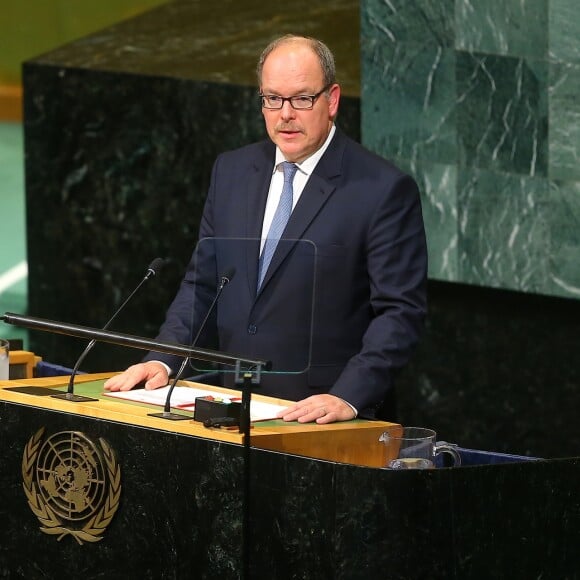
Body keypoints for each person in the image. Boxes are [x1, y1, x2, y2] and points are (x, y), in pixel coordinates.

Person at [104, 34, 427, 425]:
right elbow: (203, 285)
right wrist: (164, 358)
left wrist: (348, 396)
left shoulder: (381, 189)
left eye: (302, 98)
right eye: (272, 98)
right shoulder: (232, 171)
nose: (285, 113)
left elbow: (399, 312)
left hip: (323, 420)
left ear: (333, 100)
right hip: (230, 408)